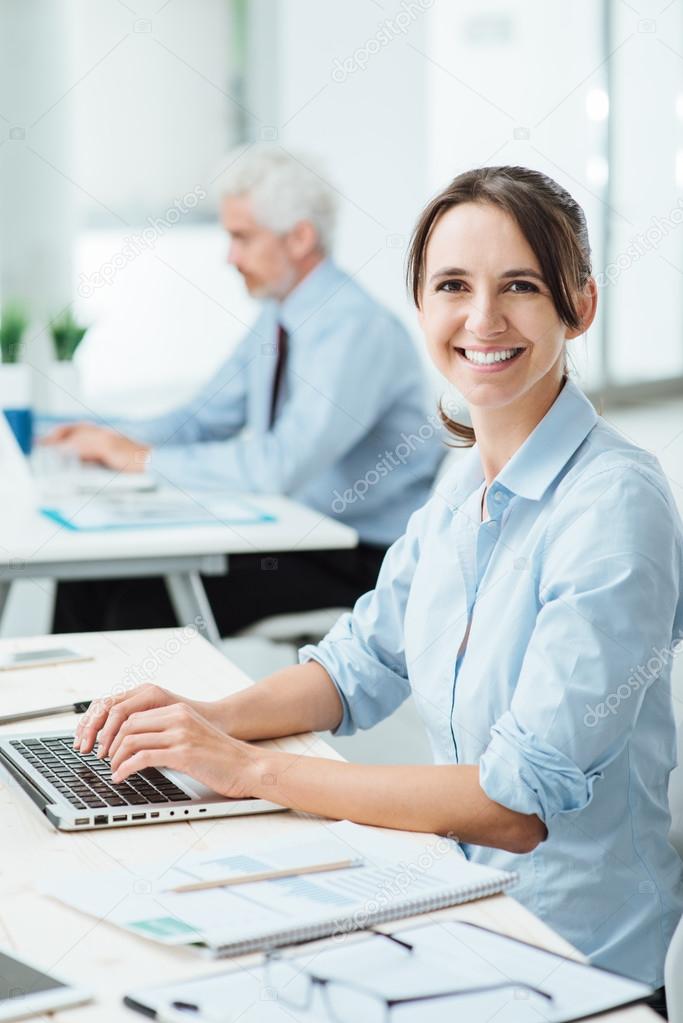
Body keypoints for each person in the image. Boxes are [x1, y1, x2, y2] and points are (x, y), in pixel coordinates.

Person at [75, 166, 683, 999]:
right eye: (451, 286)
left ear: (579, 304)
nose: (482, 318)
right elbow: (353, 666)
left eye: (520, 286)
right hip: (449, 911)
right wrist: (202, 720)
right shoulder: (459, 485)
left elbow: (515, 807)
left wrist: (250, 769)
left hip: (568, 962)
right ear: (423, 305)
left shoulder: (612, 504)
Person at [48, 146, 442, 635]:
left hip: (354, 555)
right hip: (287, 532)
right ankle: (71, 712)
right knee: (88, 577)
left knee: (144, 608)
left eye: (242, 238)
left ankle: (143, 713)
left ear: (300, 237)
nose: (229, 257)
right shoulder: (280, 315)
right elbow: (204, 418)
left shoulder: (357, 332)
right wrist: (101, 435)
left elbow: (280, 467)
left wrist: (139, 458)